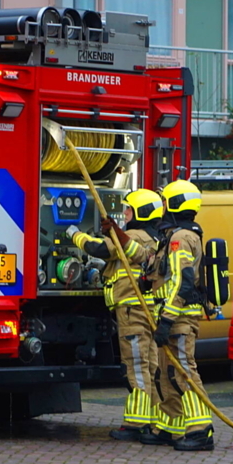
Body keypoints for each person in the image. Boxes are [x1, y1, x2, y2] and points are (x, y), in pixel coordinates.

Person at [66, 189, 163, 442]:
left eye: (129, 209)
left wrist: (74, 234)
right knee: (150, 365)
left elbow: (98, 248)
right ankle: (152, 418)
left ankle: (136, 423)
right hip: (148, 310)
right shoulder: (157, 238)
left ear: (140, 212)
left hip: (131, 311)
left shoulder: (132, 236)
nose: (125, 214)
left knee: (135, 366)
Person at [141, 179, 216, 452]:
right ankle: (171, 426)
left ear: (175, 204)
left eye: (165, 202)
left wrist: (167, 320)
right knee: (167, 373)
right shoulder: (173, 235)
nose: (162, 208)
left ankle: (201, 430)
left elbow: (182, 283)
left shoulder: (181, 238)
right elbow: (165, 277)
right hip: (169, 317)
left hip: (180, 319)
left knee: (184, 372)